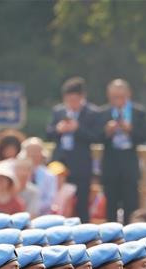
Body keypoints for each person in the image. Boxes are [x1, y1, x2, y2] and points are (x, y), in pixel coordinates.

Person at [46, 77, 100, 223]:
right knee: (57, 201)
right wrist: (58, 130)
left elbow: (97, 136)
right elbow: (48, 134)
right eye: (69, 100)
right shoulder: (58, 111)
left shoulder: (92, 113)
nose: (72, 104)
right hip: (60, 163)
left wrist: (77, 129)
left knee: (82, 203)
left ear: (82, 97)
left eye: (75, 100)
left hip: (81, 164)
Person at [100, 79, 146, 223]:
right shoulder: (103, 112)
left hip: (129, 163)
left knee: (131, 205)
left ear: (128, 94)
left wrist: (131, 130)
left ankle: (131, 239)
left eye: (121, 97)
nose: (118, 100)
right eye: (114, 97)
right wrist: (107, 131)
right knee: (110, 207)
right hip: (110, 164)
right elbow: (94, 136)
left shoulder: (138, 112)